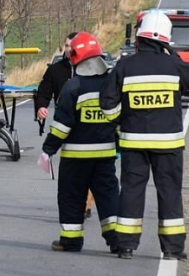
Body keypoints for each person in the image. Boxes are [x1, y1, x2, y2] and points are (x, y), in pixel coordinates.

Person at [99, 10, 189, 261]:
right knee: (170, 193)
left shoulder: (124, 66)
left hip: (134, 142)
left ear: (139, 38)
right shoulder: (174, 65)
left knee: (131, 191)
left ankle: (126, 246)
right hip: (169, 144)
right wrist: (172, 53)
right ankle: (173, 249)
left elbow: (107, 104)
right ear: (165, 39)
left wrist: (121, 121)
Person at [39, 32, 119, 253]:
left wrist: (48, 150)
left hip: (76, 159)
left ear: (76, 56)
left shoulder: (73, 87)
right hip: (105, 157)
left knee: (71, 198)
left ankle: (71, 241)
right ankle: (117, 241)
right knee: (108, 197)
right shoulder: (111, 85)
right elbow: (120, 119)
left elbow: (62, 126)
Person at [35, 32, 77, 121]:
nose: (69, 49)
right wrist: (41, 107)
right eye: (66, 46)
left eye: (72, 46)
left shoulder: (92, 69)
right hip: (63, 119)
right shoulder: (54, 70)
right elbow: (43, 92)